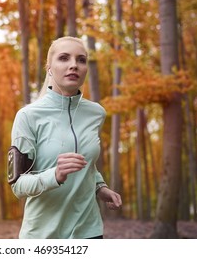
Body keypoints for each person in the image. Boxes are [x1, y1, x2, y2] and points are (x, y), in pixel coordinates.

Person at [9, 36, 122, 239]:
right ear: (49, 67)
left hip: (89, 231)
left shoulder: (96, 113)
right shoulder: (28, 116)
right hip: (43, 235)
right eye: (64, 58)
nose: (74, 65)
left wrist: (100, 187)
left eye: (81, 60)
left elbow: (88, 164)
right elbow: (18, 185)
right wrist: (55, 175)